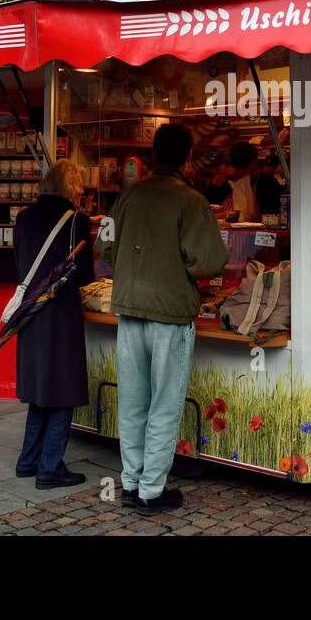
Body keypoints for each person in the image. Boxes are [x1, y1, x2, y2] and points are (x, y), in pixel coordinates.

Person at [96, 123, 229, 515]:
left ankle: (132, 484)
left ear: (153, 155)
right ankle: (152, 492)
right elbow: (209, 261)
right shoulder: (191, 201)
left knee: (133, 400)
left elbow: (104, 246)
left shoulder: (125, 197)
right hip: (170, 313)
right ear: (187, 156)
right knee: (164, 403)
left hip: (128, 307)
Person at [11, 159, 94, 488]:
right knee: (63, 390)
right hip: (61, 314)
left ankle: (27, 461)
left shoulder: (24, 218)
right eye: (80, 185)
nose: (83, 191)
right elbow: (84, 275)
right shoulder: (77, 221)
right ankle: (50, 469)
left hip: (31, 313)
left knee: (39, 389)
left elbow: (19, 264)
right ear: (70, 188)